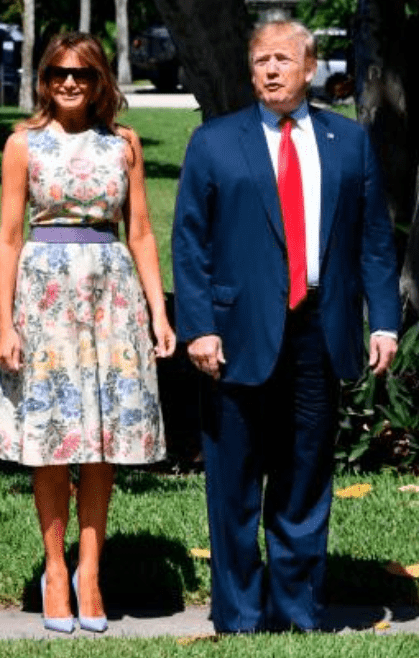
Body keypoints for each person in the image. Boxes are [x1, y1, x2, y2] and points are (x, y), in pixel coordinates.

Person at [172, 20, 399, 633]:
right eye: (261, 60)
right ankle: (239, 615)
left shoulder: (348, 142)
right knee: (234, 483)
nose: (271, 70)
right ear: (251, 71)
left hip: (320, 333)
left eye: (283, 59)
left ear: (310, 66)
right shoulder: (216, 143)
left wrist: (384, 323)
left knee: (304, 479)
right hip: (234, 332)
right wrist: (197, 327)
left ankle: (297, 611)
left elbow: (374, 241)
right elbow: (189, 243)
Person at [0, 32, 175, 634]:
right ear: (43, 80)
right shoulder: (24, 145)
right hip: (44, 299)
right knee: (53, 440)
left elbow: (142, 231)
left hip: (111, 296)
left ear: (101, 82)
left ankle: (90, 571)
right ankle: (53, 569)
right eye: (58, 73)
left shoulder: (123, 144)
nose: (70, 83)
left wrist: (158, 312)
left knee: (103, 443)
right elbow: (10, 237)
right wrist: (4, 323)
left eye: (84, 74)